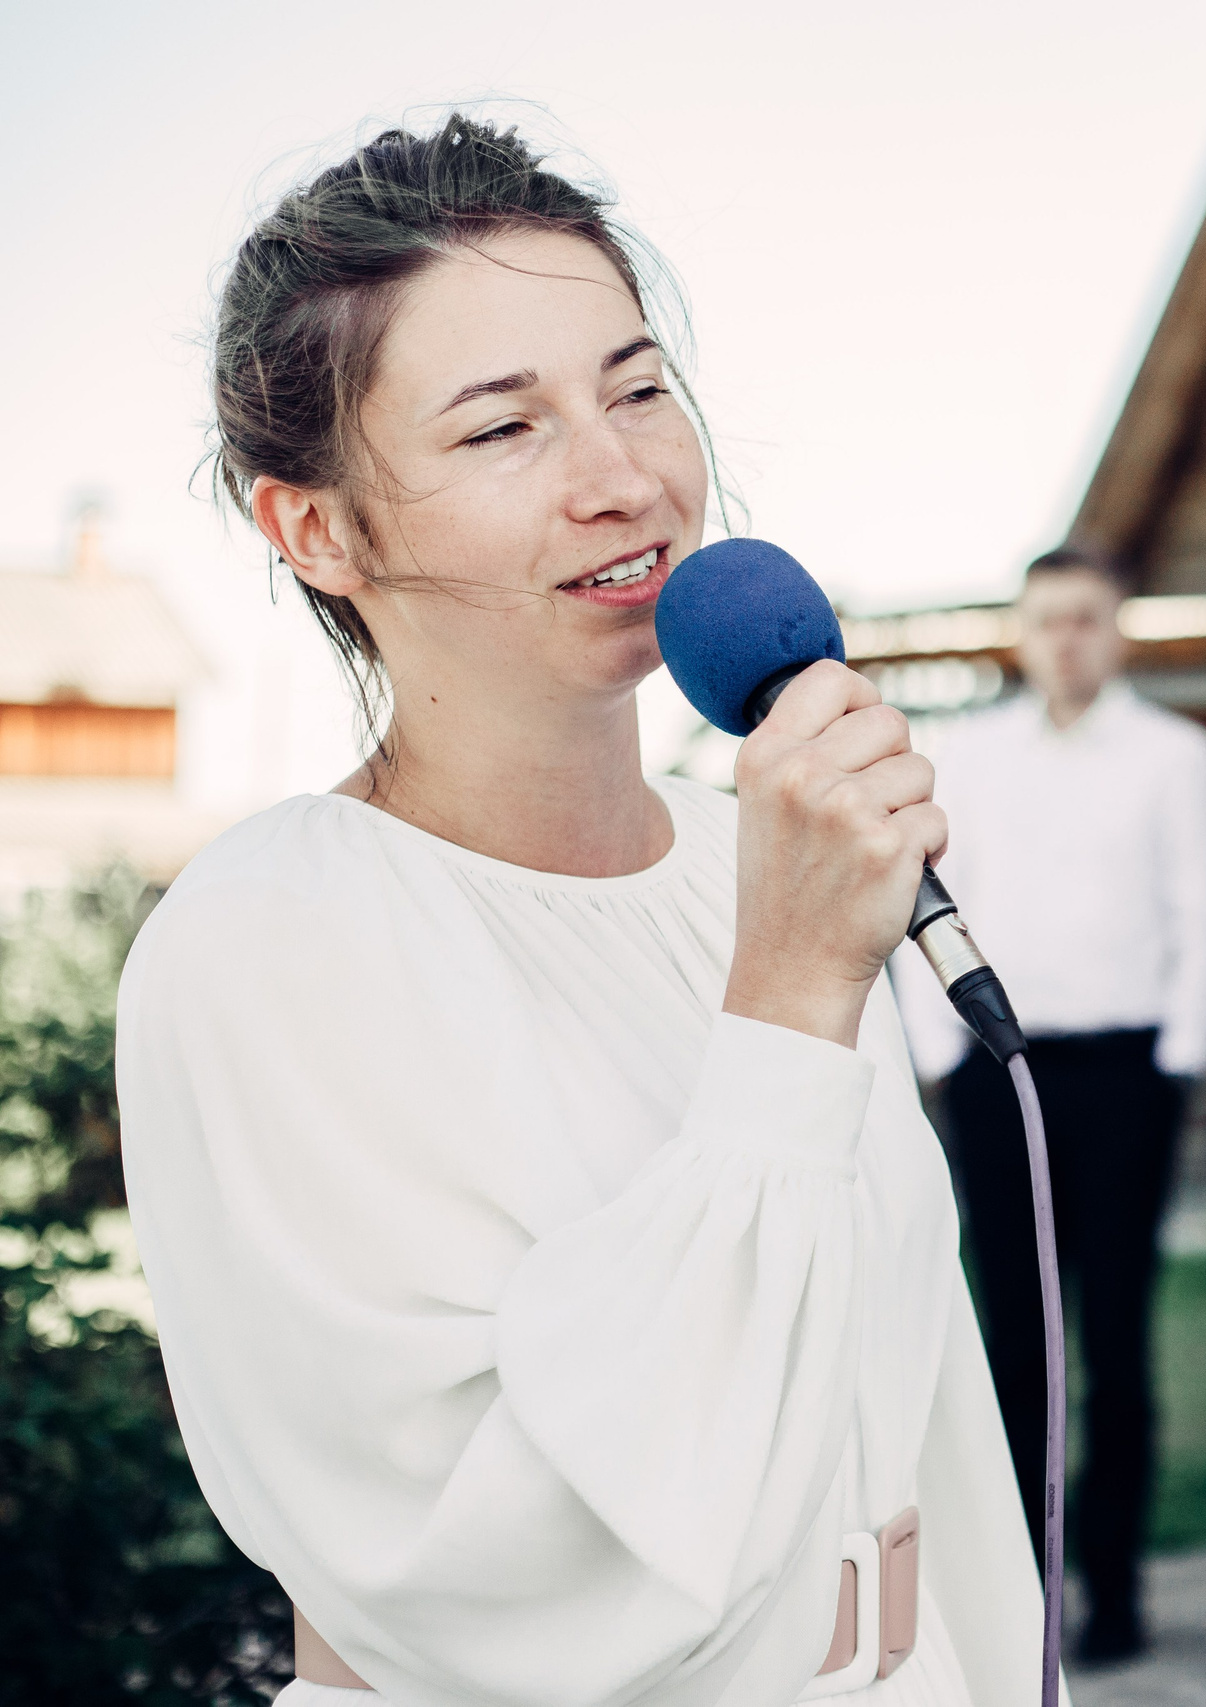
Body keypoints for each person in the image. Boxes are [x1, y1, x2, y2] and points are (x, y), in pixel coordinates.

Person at [117, 117, 1043, 1705]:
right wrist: (793, 995)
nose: (624, 479)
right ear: (316, 529)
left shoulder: (741, 864)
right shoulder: (269, 939)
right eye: (504, 429)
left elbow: (917, 1407)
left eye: (634, 386)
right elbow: (507, 1560)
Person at [894, 546, 1206, 1662]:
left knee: (1120, 1337)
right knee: (1015, 1342)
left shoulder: (1175, 758)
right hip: (998, 1073)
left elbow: (1205, 914)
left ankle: (1116, 1593)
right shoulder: (971, 757)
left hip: (1128, 1073)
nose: (1067, 639)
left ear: (1116, 630)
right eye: (1048, 621)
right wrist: (943, 1058)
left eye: (1086, 619)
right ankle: (1020, 1600)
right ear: (1023, 635)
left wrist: (1178, 1059)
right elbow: (925, 902)